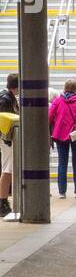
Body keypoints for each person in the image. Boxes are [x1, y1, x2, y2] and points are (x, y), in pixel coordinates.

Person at [48, 78, 76, 198]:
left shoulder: (57, 101)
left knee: (62, 163)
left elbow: (50, 116)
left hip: (61, 135)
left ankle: (62, 192)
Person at [0, 71, 19, 217]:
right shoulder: (5, 99)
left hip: (7, 140)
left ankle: (4, 200)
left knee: (8, 169)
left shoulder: (9, 97)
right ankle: (3, 202)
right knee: (8, 169)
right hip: (6, 140)